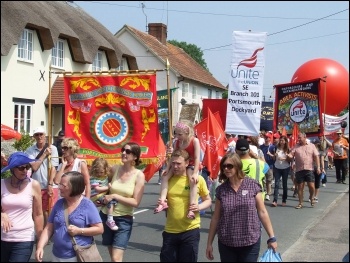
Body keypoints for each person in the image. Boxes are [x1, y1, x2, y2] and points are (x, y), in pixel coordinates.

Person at [206, 153, 277, 262]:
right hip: (227, 242)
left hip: (250, 241)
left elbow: (262, 212)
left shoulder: (252, 185)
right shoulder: (221, 190)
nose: (226, 169)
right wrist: (209, 243)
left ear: (237, 166)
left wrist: (272, 237)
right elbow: (216, 218)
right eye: (224, 166)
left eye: (229, 166)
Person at [35, 171, 103, 262]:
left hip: (78, 256)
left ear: (74, 187)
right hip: (57, 255)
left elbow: (99, 229)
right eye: (59, 184)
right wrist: (40, 247)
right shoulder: (59, 203)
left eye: (63, 185)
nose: (59, 188)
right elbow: (49, 228)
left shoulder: (87, 205)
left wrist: (79, 231)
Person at [159, 149, 211, 262]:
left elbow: (208, 200)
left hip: (190, 230)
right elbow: (164, 199)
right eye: (173, 163)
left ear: (187, 163)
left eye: (178, 163)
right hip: (170, 231)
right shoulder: (168, 179)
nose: (175, 166)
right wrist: (163, 203)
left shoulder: (197, 179)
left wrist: (199, 207)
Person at [99, 142, 145, 262]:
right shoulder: (114, 169)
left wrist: (115, 196)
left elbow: (136, 202)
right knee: (113, 257)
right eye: (123, 150)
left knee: (116, 258)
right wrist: (103, 197)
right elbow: (104, 186)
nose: (124, 153)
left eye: (128, 151)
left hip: (123, 219)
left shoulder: (139, 175)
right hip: (106, 215)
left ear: (135, 156)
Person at [1, 152, 44, 262]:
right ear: (12, 169)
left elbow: (38, 214)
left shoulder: (34, 185)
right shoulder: (2, 184)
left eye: (27, 167)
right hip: (3, 238)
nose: (25, 170)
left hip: (24, 239)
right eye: (21, 168)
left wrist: (40, 242)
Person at [155, 120, 201, 220]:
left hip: (191, 164)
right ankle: (162, 201)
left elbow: (197, 158)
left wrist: (195, 173)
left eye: (180, 134)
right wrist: (167, 168)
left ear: (187, 133)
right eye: (176, 133)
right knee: (165, 177)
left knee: (192, 181)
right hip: (178, 163)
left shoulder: (194, 141)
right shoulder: (177, 142)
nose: (177, 136)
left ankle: (192, 207)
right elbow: (173, 156)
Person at [26, 126, 59, 227]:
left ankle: (46, 233)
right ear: (34, 137)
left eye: (41, 134)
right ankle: (38, 232)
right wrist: (44, 154)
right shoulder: (30, 150)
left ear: (45, 135)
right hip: (36, 185)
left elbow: (54, 167)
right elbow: (35, 167)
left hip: (48, 184)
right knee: (36, 211)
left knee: (47, 211)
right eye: (37, 135)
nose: (39, 136)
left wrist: (50, 183)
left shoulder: (53, 148)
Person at [287, 132, 320, 209]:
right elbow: (291, 155)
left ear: (305, 137)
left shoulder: (311, 146)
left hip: (309, 169)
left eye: (300, 137)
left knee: (311, 186)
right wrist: (288, 156)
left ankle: (311, 197)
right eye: (298, 137)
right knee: (300, 187)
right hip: (299, 169)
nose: (298, 139)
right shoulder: (296, 147)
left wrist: (318, 167)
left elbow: (316, 156)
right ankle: (300, 203)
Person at [90, 157, 118, 231]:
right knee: (111, 200)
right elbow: (97, 189)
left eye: (101, 172)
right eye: (97, 172)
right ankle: (110, 219)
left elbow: (111, 168)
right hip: (96, 196)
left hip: (102, 195)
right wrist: (108, 188)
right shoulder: (94, 178)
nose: (99, 174)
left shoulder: (105, 176)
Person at [271, 135, 291, 207]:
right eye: (281, 140)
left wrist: (285, 158)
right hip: (277, 167)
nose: (281, 142)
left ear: (285, 141)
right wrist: (273, 156)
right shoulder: (276, 147)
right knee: (276, 184)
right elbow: (273, 158)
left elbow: (290, 159)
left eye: (283, 140)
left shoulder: (288, 149)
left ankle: (284, 200)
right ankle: (275, 200)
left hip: (285, 168)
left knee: (284, 184)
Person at [259, 132, 275, 202]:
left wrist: (270, 154)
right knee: (263, 180)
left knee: (269, 180)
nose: (266, 139)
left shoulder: (272, 147)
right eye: (265, 137)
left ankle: (268, 194)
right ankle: (264, 191)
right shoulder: (261, 147)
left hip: (269, 166)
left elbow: (275, 158)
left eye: (268, 137)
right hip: (262, 166)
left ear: (270, 138)